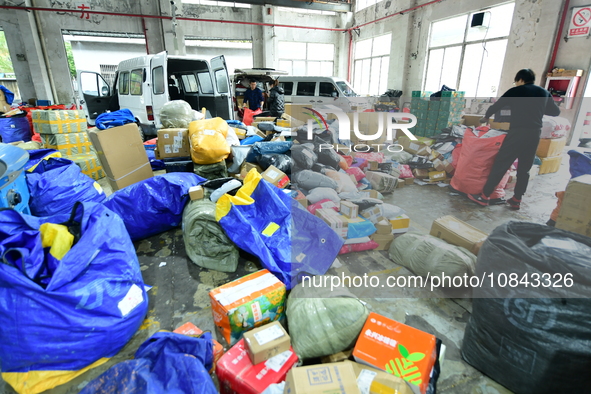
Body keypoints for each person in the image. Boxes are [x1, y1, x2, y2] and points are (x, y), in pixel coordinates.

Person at [468, 69, 561, 210]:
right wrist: (538, 109)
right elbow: (555, 111)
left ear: (521, 79)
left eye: (516, 81)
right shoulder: (543, 92)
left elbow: (496, 106)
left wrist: (486, 117)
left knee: (502, 163)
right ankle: (517, 199)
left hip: (517, 133)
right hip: (534, 134)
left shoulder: (515, 91)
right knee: (524, 169)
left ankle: (484, 196)